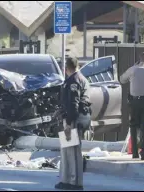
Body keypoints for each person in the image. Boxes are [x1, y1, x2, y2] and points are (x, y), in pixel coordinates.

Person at [55, 57, 91, 190]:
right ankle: (66, 180)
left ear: (66, 68)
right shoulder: (82, 78)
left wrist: (69, 124)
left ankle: (75, 182)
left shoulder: (73, 81)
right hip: (75, 118)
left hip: (73, 120)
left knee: (73, 152)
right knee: (67, 151)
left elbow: (73, 104)